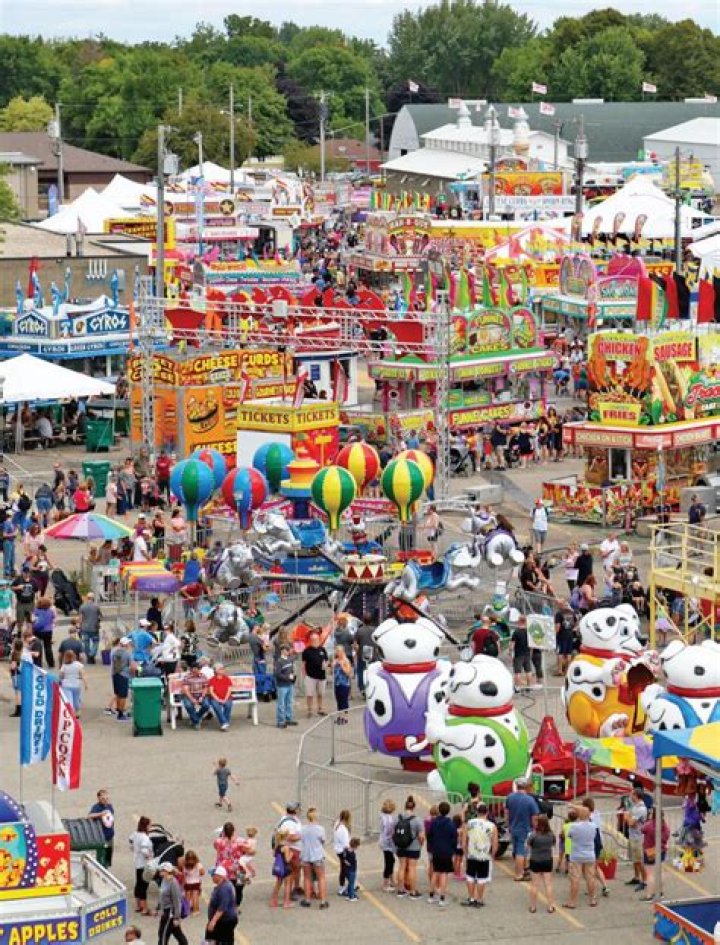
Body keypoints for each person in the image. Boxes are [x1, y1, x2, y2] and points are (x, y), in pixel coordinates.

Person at [462, 802, 498, 908]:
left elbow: (464, 841)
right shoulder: (492, 826)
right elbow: (495, 843)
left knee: (470, 877)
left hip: (472, 854)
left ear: (477, 812)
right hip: (484, 856)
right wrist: (493, 855)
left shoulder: (469, 823)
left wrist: (465, 853)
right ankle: (479, 899)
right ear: (487, 812)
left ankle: (471, 897)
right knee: (482, 878)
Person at [505, 778, 540, 881]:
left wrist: (508, 825)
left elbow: (507, 813)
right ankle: (519, 874)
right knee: (521, 852)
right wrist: (535, 828)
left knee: (516, 851)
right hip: (524, 828)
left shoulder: (510, 797)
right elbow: (534, 817)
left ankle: (524, 870)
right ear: (526, 787)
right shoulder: (530, 800)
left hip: (513, 827)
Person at [564, 805, 598, 908]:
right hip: (589, 854)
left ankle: (572, 902)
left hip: (576, 854)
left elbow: (569, 836)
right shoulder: (593, 826)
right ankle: (592, 899)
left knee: (575, 879)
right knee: (590, 878)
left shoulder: (574, 826)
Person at [427, 801, 458, 907]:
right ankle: (442, 897)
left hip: (436, 850)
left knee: (435, 872)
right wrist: (453, 850)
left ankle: (431, 896)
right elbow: (454, 839)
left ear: (439, 810)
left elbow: (429, 835)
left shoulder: (434, 822)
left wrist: (432, 846)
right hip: (447, 851)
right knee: (444, 873)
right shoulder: (451, 824)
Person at [394, 796, 424, 899]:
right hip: (413, 847)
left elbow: (393, 832)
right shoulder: (417, 820)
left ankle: (401, 890)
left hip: (401, 846)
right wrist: (421, 844)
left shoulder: (397, 818)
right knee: (412, 868)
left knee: (401, 867)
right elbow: (421, 836)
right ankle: (413, 891)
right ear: (413, 807)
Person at [527, 814, 556, 913]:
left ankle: (533, 906)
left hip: (535, 860)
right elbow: (553, 844)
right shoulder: (551, 835)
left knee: (535, 885)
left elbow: (528, 846)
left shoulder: (534, 835)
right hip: (547, 860)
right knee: (548, 884)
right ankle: (550, 906)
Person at [640, 807, 670, 902]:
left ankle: (649, 894)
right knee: (660, 872)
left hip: (650, 851)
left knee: (650, 873)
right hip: (661, 850)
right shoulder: (665, 826)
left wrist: (648, 819)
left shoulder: (649, 825)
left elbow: (642, 829)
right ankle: (660, 892)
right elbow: (667, 837)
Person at [300, 807, 328, 909]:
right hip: (317, 856)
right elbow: (323, 841)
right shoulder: (320, 829)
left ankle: (307, 900)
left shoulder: (303, 829)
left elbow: (302, 840)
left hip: (306, 856)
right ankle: (323, 901)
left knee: (307, 878)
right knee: (321, 878)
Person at [623, 787, 648, 891]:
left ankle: (644, 880)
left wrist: (627, 816)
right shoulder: (635, 807)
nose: (630, 796)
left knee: (639, 860)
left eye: (632, 794)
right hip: (633, 836)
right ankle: (636, 877)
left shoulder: (640, 809)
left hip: (638, 838)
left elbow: (630, 822)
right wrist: (628, 816)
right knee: (634, 859)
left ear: (636, 796)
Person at [206, 864, 238, 944]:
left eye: (213, 875)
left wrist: (213, 922)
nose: (212, 877)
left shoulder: (224, 889)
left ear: (219, 876)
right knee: (215, 940)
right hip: (222, 920)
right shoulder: (224, 885)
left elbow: (222, 908)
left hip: (225, 921)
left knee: (224, 941)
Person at [157, 861, 187, 945]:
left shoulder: (173, 883)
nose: (160, 871)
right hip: (165, 911)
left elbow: (177, 901)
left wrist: (177, 917)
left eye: (162, 870)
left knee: (163, 934)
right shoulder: (164, 880)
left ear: (166, 871)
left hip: (170, 912)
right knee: (177, 933)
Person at [129, 816, 154, 915]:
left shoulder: (135, 834)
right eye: (150, 825)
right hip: (144, 864)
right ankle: (144, 908)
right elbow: (144, 850)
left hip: (137, 863)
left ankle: (137, 905)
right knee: (144, 885)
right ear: (146, 826)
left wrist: (133, 848)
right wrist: (150, 857)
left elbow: (130, 840)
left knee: (138, 884)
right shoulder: (145, 838)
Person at [301, 630, 329, 718]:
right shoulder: (306, 651)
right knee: (309, 694)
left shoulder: (322, 649)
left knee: (320, 694)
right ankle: (309, 710)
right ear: (310, 640)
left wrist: (326, 665)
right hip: (310, 676)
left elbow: (327, 661)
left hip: (321, 675)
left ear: (318, 640)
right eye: (313, 639)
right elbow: (303, 665)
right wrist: (304, 675)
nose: (315, 641)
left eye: (316, 639)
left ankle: (320, 709)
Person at [88, 789, 115, 866]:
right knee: (103, 853)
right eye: (103, 798)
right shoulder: (96, 807)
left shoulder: (110, 806)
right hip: (102, 837)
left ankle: (107, 866)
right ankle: (103, 866)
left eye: (107, 798)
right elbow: (89, 816)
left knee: (109, 854)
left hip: (110, 835)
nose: (105, 800)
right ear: (98, 798)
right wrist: (100, 814)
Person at [274, 643, 297, 729]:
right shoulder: (279, 661)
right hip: (282, 685)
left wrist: (292, 677)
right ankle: (280, 721)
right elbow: (277, 674)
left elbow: (291, 669)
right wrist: (287, 677)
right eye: (288, 650)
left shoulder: (289, 659)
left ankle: (288, 719)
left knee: (289, 702)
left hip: (289, 684)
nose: (289, 652)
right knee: (281, 704)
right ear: (283, 651)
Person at [270, 831, 295, 910]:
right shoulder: (286, 847)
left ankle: (273, 901)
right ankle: (286, 902)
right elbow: (287, 860)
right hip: (286, 867)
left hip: (279, 867)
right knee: (287, 885)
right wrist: (291, 854)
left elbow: (274, 855)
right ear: (285, 837)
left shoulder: (277, 846)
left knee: (278, 884)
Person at [181, 664, 211, 729]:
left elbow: (205, 688)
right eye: (193, 670)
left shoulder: (203, 676)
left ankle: (195, 718)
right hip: (189, 695)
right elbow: (186, 690)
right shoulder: (187, 677)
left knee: (206, 705)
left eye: (196, 670)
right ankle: (197, 721)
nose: (194, 672)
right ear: (191, 670)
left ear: (199, 669)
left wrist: (202, 697)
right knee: (188, 705)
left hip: (201, 695)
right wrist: (192, 699)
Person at [109, 637, 132, 722]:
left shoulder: (115, 652)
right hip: (123, 675)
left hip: (115, 674)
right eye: (129, 643)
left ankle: (119, 711)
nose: (130, 645)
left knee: (118, 694)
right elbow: (131, 665)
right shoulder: (127, 654)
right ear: (125, 644)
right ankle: (121, 714)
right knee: (123, 696)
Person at [511, 616, 536, 691]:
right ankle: (529, 687)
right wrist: (531, 652)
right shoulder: (529, 632)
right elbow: (532, 645)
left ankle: (517, 688)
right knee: (528, 671)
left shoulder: (516, 632)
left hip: (518, 654)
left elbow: (512, 644)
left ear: (519, 621)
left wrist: (510, 652)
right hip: (527, 653)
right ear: (525, 621)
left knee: (517, 672)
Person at [59, 649, 86, 716]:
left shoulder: (64, 666)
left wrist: (60, 681)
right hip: (76, 684)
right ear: (74, 656)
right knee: (76, 699)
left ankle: (71, 713)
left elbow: (61, 676)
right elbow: (82, 674)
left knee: (69, 699)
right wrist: (86, 684)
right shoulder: (78, 664)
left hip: (66, 684)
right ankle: (77, 711)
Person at [208, 664, 234, 731]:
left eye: (223, 668)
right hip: (215, 698)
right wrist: (218, 699)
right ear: (216, 671)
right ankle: (225, 722)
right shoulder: (212, 680)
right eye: (221, 668)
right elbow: (211, 691)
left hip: (226, 697)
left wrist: (225, 699)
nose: (223, 670)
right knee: (216, 706)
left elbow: (229, 690)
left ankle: (224, 724)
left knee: (228, 705)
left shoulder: (227, 678)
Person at [378, 799, 397, 892]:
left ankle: (392, 879)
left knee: (391, 860)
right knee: (389, 863)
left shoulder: (382, 816)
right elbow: (390, 832)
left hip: (383, 840)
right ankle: (386, 884)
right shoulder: (389, 819)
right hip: (387, 842)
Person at [32, 597, 56, 668]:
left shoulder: (36, 611)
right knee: (48, 647)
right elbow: (53, 618)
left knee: (38, 647)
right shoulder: (50, 611)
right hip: (48, 631)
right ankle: (51, 663)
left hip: (38, 631)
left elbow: (33, 620)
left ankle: (38, 663)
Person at [333, 810, 352, 896]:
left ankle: (350, 884)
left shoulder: (337, 823)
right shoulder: (343, 829)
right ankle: (342, 888)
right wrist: (351, 850)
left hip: (338, 849)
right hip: (343, 851)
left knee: (344, 868)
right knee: (344, 869)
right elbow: (346, 844)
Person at [181, 850, 205, 916]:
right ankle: (196, 910)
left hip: (187, 883)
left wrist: (183, 883)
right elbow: (202, 873)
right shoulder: (198, 864)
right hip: (196, 882)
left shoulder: (185, 865)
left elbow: (184, 875)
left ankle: (187, 910)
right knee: (195, 896)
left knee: (187, 897)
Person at [333, 645, 352, 722]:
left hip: (344, 683)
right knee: (339, 700)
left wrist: (342, 665)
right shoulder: (336, 660)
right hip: (337, 683)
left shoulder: (346, 660)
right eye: (337, 651)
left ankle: (345, 717)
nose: (338, 653)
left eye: (339, 651)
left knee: (344, 700)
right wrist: (332, 666)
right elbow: (332, 672)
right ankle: (340, 716)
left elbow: (348, 673)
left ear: (343, 651)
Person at [341, 838, 360, 902]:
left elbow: (344, 859)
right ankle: (351, 896)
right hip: (352, 870)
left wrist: (346, 862)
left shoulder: (345, 850)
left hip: (346, 870)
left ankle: (349, 895)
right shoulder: (353, 854)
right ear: (355, 846)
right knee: (352, 884)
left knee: (349, 883)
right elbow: (353, 863)